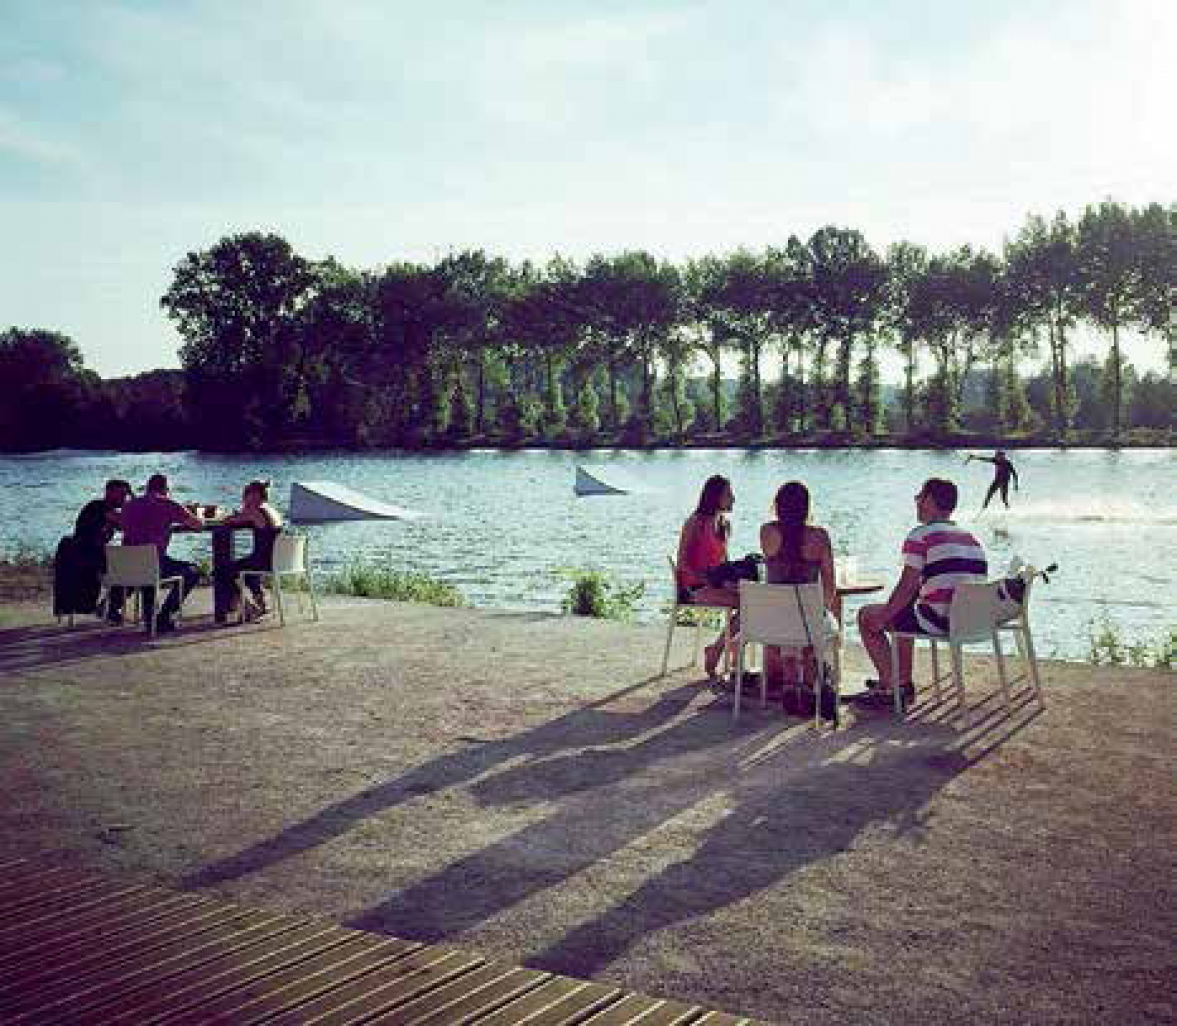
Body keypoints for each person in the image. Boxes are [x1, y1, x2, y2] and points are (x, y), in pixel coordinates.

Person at [855, 478, 988, 705]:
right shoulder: (970, 538)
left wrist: (882, 617)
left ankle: (891, 687)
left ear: (929, 501)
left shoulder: (921, 535)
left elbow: (907, 587)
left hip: (940, 620)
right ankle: (901, 682)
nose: (916, 500)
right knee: (903, 612)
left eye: (920, 495)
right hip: (969, 621)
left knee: (868, 616)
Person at [760, 481, 841, 694]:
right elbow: (830, 583)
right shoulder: (820, 537)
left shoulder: (767, 532)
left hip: (773, 621)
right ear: (806, 507)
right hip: (807, 620)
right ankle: (808, 677)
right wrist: (823, 610)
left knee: (789, 617)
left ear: (778, 505)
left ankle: (790, 679)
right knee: (821, 618)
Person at [119, 473, 204, 633]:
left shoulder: (129, 505)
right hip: (151, 564)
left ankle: (148, 617)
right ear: (166, 489)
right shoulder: (168, 504)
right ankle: (164, 616)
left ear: (147, 487)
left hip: (126, 564)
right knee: (193, 571)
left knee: (153, 561)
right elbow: (198, 525)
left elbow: (122, 526)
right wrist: (191, 512)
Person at [676, 475, 740, 677]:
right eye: (729, 494)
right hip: (693, 589)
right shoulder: (695, 523)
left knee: (755, 601)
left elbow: (724, 565)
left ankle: (725, 651)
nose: (734, 498)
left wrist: (733, 581)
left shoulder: (724, 525)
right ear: (715, 497)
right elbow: (682, 565)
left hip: (715, 586)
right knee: (749, 605)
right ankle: (721, 650)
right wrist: (712, 581)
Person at [59, 479, 133, 620]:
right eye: (121, 494)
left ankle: (108, 607)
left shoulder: (106, 509)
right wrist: (134, 502)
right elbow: (126, 524)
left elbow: (126, 526)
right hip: (84, 556)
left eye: (126, 494)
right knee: (132, 572)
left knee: (131, 571)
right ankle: (108, 608)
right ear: (109, 493)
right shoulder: (99, 507)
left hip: (87, 555)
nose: (124, 498)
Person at [213, 479, 283, 622]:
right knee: (244, 567)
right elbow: (246, 520)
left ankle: (247, 607)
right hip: (275, 561)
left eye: (246, 494)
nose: (244, 497)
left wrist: (244, 508)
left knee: (220, 571)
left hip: (263, 561)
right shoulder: (272, 510)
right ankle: (261, 602)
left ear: (255, 495)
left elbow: (229, 520)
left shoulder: (255, 511)